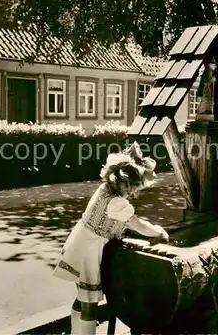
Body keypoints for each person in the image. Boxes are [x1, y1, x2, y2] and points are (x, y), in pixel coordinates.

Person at [52, 142, 169, 335]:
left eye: (135, 187)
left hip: (81, 243)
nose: (131, 191)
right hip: (89, 250)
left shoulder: (105, 190)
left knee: (82, 298)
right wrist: (158, 232)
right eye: (129, 185)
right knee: (91, 303)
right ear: (118, 179)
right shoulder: (114, 202)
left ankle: (76, 333)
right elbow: (136, 224)